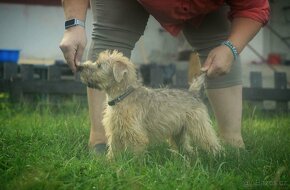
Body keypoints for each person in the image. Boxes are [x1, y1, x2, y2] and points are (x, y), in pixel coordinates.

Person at [59, 0, 270, 152]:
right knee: (110, 34)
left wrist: (231, 48)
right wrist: (74, 24)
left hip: (205, 7)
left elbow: (254, 7)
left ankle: (231, 142)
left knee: (218, 40)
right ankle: (100, 141)